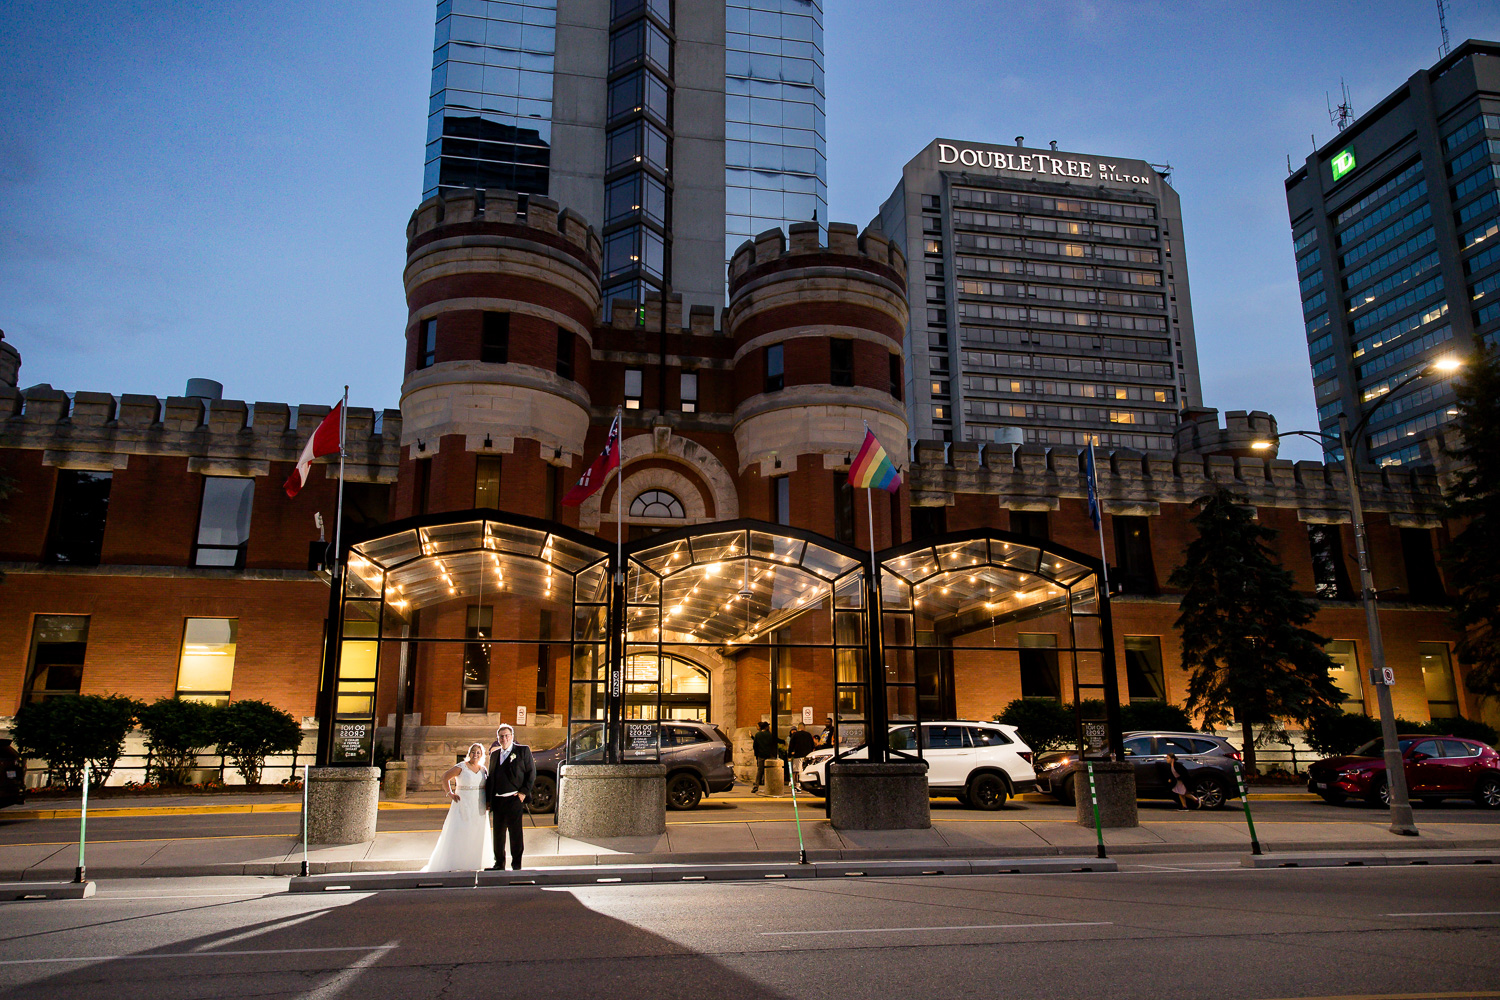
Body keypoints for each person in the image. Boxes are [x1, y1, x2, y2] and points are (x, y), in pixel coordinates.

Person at [422, 743, 494, 872]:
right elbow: (445, 777)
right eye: (473, 752)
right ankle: (455, 862)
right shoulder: (461, 767)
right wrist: (449, 793)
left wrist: (488, 803)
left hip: (479, 804)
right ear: (469, 753)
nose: (475, 755)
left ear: (482, 755)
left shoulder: (483, 770)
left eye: (478, 752)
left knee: (477, 832)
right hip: (463, 803)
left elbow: (487, 787)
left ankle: (475, 861)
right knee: (460, 830)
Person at [486, 724, 535, 870]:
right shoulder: (494, 755)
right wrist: (489, 800)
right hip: (498, 800)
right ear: (498, 739)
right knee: (498, 834)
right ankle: (499, 863)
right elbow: (491, 779)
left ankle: (516, 864)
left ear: (512, 737)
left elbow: (531, 773)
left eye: (507, 735)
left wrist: (523, 792)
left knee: (515, 833)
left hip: (514, 799)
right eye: (501, 736)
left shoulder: (522, 751)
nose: (504, 738)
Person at [750, 721, 783, 793]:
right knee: (769, 771)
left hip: (761, 755)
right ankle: (769, 786)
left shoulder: (758, 735)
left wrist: (756, 755)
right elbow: (777, 741)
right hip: (769, 755)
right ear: (766, 727)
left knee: (760, 771)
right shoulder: (770, 735)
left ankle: (756, 786)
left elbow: (755, 746)